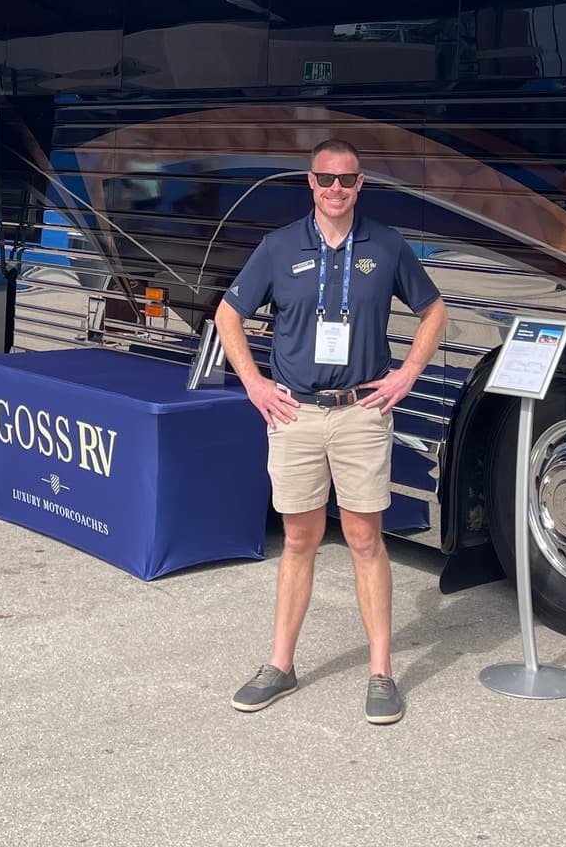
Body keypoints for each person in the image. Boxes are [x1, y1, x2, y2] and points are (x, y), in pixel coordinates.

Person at [216, 138, 447, 725]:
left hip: (360, 414)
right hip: (294, 414)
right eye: (325, 180)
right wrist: (253, 384)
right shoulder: (278, 246)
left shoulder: (387, 245)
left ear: (361, 184)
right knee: (298, 539)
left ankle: (381, 672)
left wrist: (410, 372)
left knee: (366, 539)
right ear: (310, 184)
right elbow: (227, 314)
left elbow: (434, 310)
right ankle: (280, 666)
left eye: (346, 180)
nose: (336, 190)